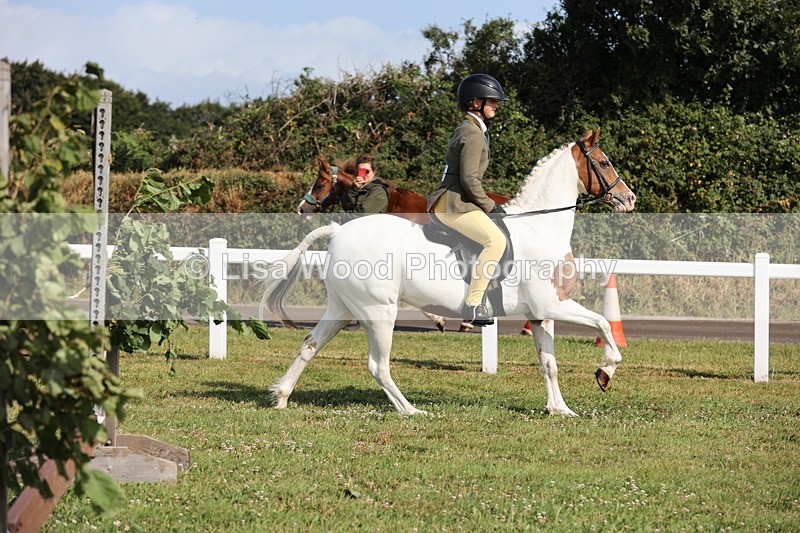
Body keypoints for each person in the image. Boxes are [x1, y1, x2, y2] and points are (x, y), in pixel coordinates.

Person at [426, 73, 509, 326]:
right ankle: (473, 304)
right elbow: (470, 180)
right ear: (475, 103)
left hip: (455, 200)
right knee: (495, 241)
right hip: (454, 203)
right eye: (491, 101)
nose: (496, 105)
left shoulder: (471, 129)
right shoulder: (472, 133)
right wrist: (490, 205)